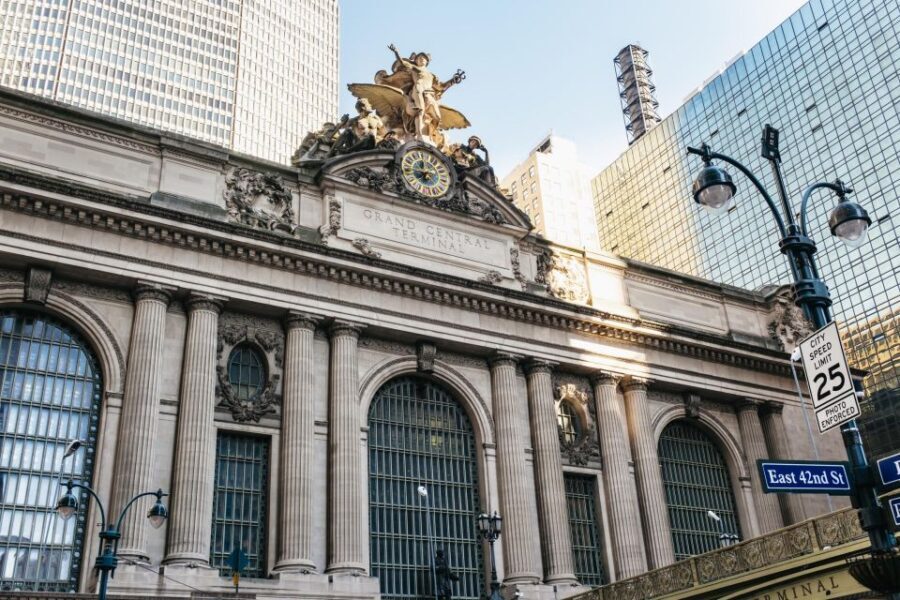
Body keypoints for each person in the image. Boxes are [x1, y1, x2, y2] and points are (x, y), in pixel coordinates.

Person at [388, 44, 464, 142]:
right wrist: (396, 52)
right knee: (420, 111)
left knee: (437, 116)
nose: (422, 59)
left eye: (424, 58)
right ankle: (420, 135)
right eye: (419, 58)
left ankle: (429, 134)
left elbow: (442, 87)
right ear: (416, 60)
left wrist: (453, 80)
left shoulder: (432, 75)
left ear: (427, 61)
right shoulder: (414, 68)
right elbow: (402, 63)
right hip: (418, 90)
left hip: (429, 93)